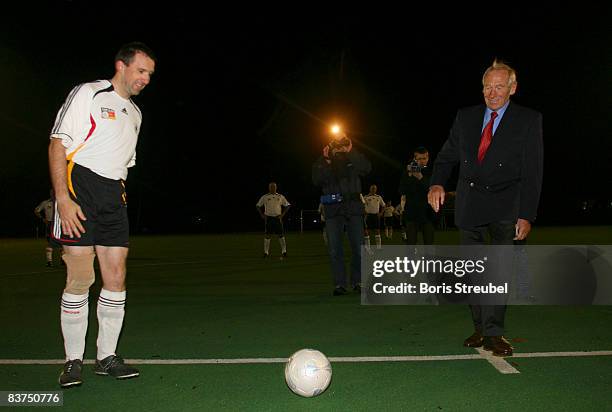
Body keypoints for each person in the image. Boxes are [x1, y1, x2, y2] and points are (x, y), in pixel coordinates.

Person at [48, 42, 156, 387]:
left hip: (114, 195)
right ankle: (72, 361)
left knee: (116, 276)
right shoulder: (89, 94)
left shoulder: (136, 115)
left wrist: (118, 197)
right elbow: (57, 145)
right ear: (121, 66)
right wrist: (63, 199)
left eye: (150, 74)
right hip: (79, 188)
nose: (145, 79)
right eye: (141, 71)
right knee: (80, 277)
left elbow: (124, 165)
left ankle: (106, 356)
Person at [428, 59, 543, 357]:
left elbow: (533, 171)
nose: (492, 93)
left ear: (512, 88)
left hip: (507, 204)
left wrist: (527, 214)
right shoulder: (465, 117)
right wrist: (437, 183)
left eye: (499, 87)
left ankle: (494, 333)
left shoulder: (529, 120)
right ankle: (480, 327)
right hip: (471, 203)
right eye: (487, 87)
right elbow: (445, 156)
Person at [312, 130, 371, 295]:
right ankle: (340, 284)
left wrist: (350, 150)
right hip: (333, 208)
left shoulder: (353, 159)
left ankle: (357, 281)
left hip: (353, 207)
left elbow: (366, 168)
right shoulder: (324, 161)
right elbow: (316, 179)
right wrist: (325, 159)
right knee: (334, 249)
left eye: (341, 142)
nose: (338, 146)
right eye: (335, 143)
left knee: (359, 247)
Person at [398, 147, 436, 245]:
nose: (422, 161)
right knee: (411, 245)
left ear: (428, 158)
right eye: (419, 159)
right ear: (415, 159)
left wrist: (420, 177)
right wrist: (410, 176)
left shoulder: (432, 171)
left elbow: (432, 189)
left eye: (424, 158)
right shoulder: (408, 172)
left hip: (427, 213)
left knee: (429, 244)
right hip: (411, 213)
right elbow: (401, 190)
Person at [256, 182, 291, 258]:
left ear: (276, 187)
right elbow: (258, 205)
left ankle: (284, 251)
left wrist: (282, 215)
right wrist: (262, 215)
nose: (272, 188)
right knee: (267, 235)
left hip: (277, 218)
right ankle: (266, 252)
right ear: (269, 188)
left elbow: (288, 205)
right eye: (271, 187)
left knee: (281, 235)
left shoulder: (280, 196)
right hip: (268, 218)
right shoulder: (265, 197)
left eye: (274, 187)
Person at [34, 189, 63, 267]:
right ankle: (49, 261)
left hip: (59, 223)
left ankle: (62, 259)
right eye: (52, 193)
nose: (53, 194)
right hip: (50, 224)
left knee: (62, 242)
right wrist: (43, 218)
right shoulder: (46, 203)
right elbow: (36, 211)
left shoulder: (61, 202)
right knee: (50, 242)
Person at [363, 184, 385, 250]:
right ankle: (368, 248)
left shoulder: (378, 197)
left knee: (377, 231)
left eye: (374, 188)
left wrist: (381, 213)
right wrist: (364, 212)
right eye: (372, 188)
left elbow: (383, 205)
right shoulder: (365, 197)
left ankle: (379, 247)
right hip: (368, 216)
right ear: (370, 189)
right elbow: (361, 206)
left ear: (376, 189)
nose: (373, 189)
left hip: (376, 216)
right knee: (366, 232)